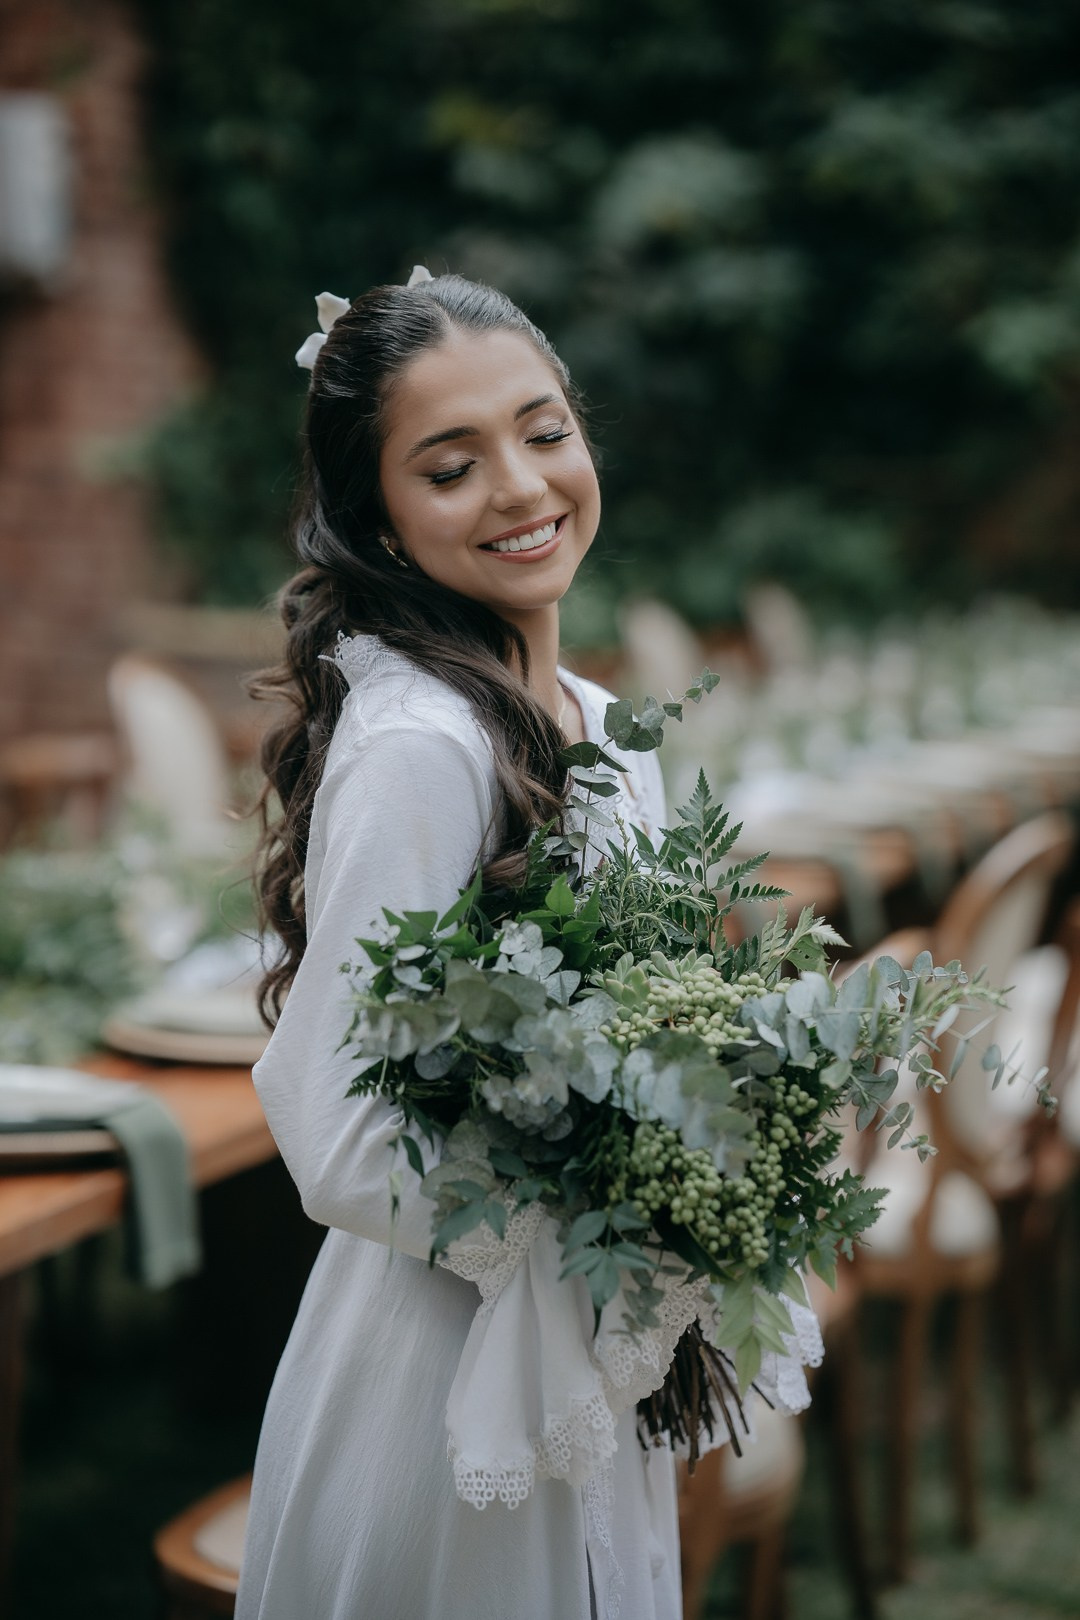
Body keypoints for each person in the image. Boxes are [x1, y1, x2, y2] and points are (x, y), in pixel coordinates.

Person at [235, 269, 678, 1620]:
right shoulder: (425, 746)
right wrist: (617, 1203)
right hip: (446, 1378)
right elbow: (339, 1129)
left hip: (577, 1343)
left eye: (544, 432)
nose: (523, 487)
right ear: (378, 514)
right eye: (451, 465)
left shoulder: (601, 722)